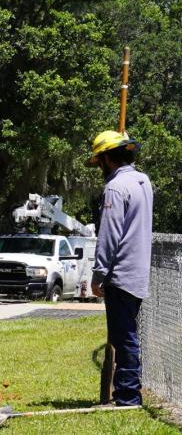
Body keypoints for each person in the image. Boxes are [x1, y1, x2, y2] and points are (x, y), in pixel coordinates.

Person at [86, 131, 153, 407]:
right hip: (137, 271)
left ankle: (128, 396)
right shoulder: (143, 181)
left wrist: (99, 274)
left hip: (121, 274)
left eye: (99, 161)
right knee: (126, 335)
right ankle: (127, 393)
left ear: (107, 159)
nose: (99, 167)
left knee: (123, 337)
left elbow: (109, 234)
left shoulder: (115, 187)